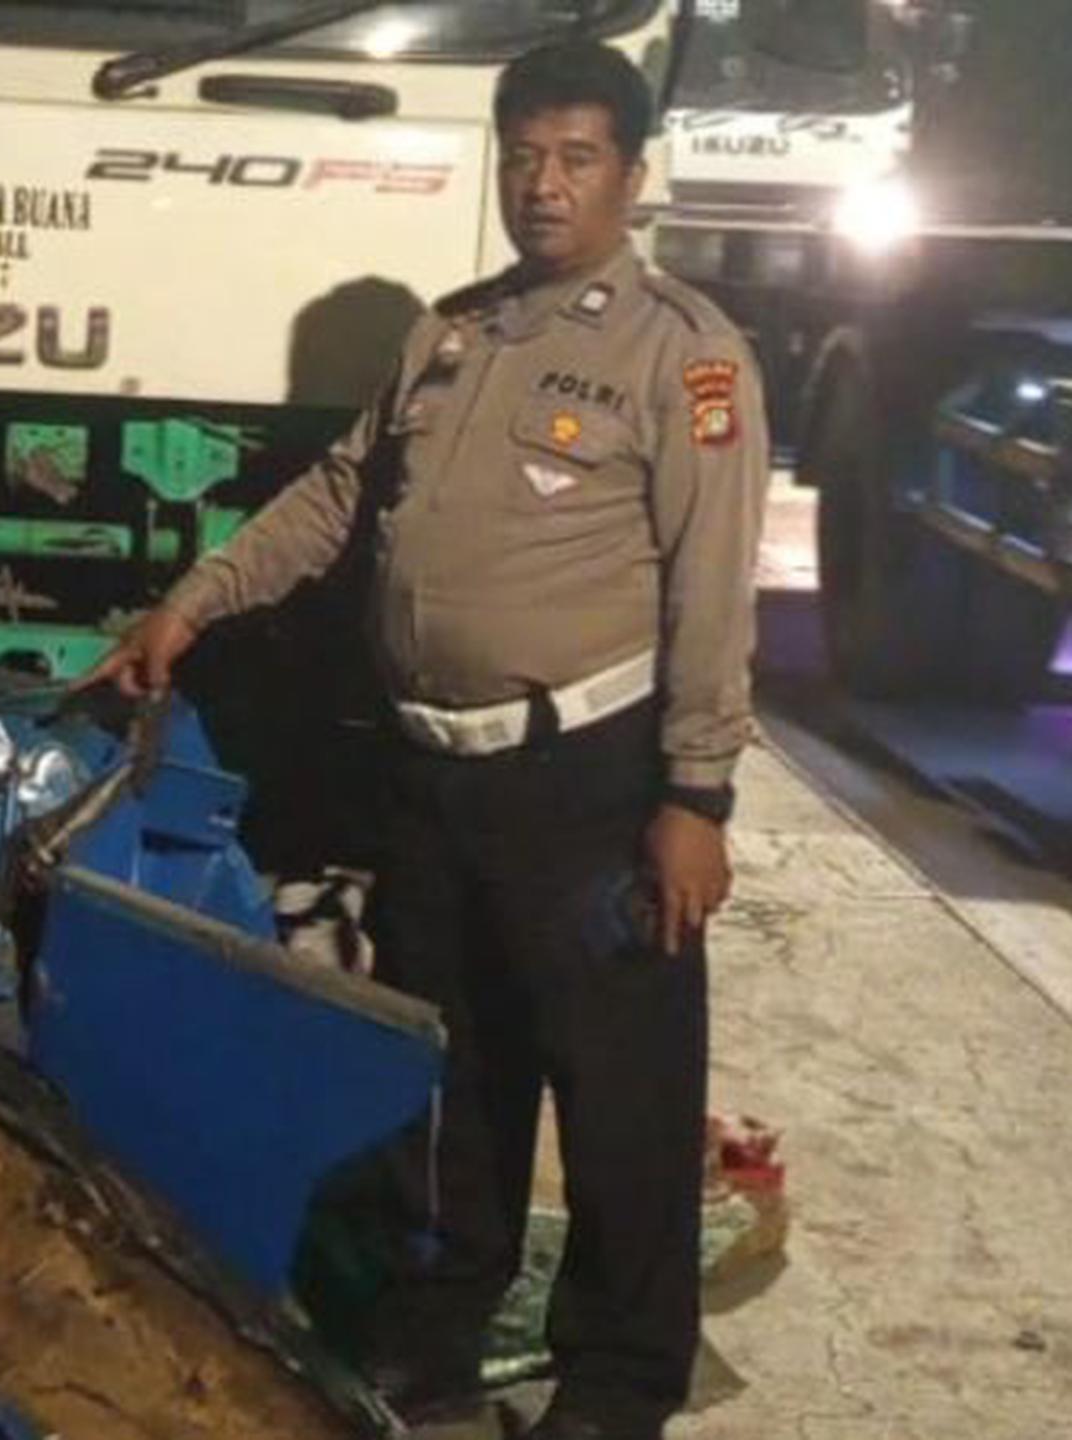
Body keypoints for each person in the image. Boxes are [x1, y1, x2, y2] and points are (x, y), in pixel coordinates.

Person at [81, 39, 769, 1440]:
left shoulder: (683, 354)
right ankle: (434, 1339)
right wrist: (193, 603)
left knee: (622, 1094)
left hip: (588, 775)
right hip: (434, 775)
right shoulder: (451, 337)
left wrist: (696, 796)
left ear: (633, 177)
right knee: (451, 1078)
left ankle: (619, 1381)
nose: (543, 184)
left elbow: (714, 586)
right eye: (523, 156)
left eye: (576, 158)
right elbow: (337, 498)